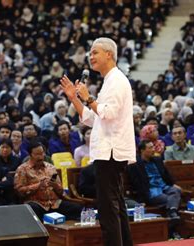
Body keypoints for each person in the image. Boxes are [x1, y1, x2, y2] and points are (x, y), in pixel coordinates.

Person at [60, 37, 135, 246]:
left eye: (95, 52)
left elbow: (107, 113)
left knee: (108, 209)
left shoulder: (117, 80)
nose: (90, 57)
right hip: (109, 150)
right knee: (116, 205)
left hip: (111, 151)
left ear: (109, 54)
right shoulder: (109, 81)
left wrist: (88, 98)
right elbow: (93, 118)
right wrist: (75, 99)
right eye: (90, 53)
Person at [14, 142, 83, 220]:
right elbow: (19, 191)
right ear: (30, 155)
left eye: (42, 153)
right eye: (37, 154)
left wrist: (56, 186)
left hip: (54, 203)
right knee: (32, 209)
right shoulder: (23, 169)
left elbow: (61, 191)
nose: (40, 157)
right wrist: (38, 186)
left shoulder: (51, 167)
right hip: (37, 203)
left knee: (76, 208)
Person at [128, 141, 181, 221]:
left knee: (176, 190)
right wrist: (141, 200)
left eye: (153, 147)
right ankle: (172, 214)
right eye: (150, 148)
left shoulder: (157, 160)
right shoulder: (135, 164)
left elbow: (166, 175)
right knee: (170, 199)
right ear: (142, 150)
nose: (153, 150)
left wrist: (172, 184)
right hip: (152, 191)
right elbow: (136, 183)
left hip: (163, 187)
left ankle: (172, 213)